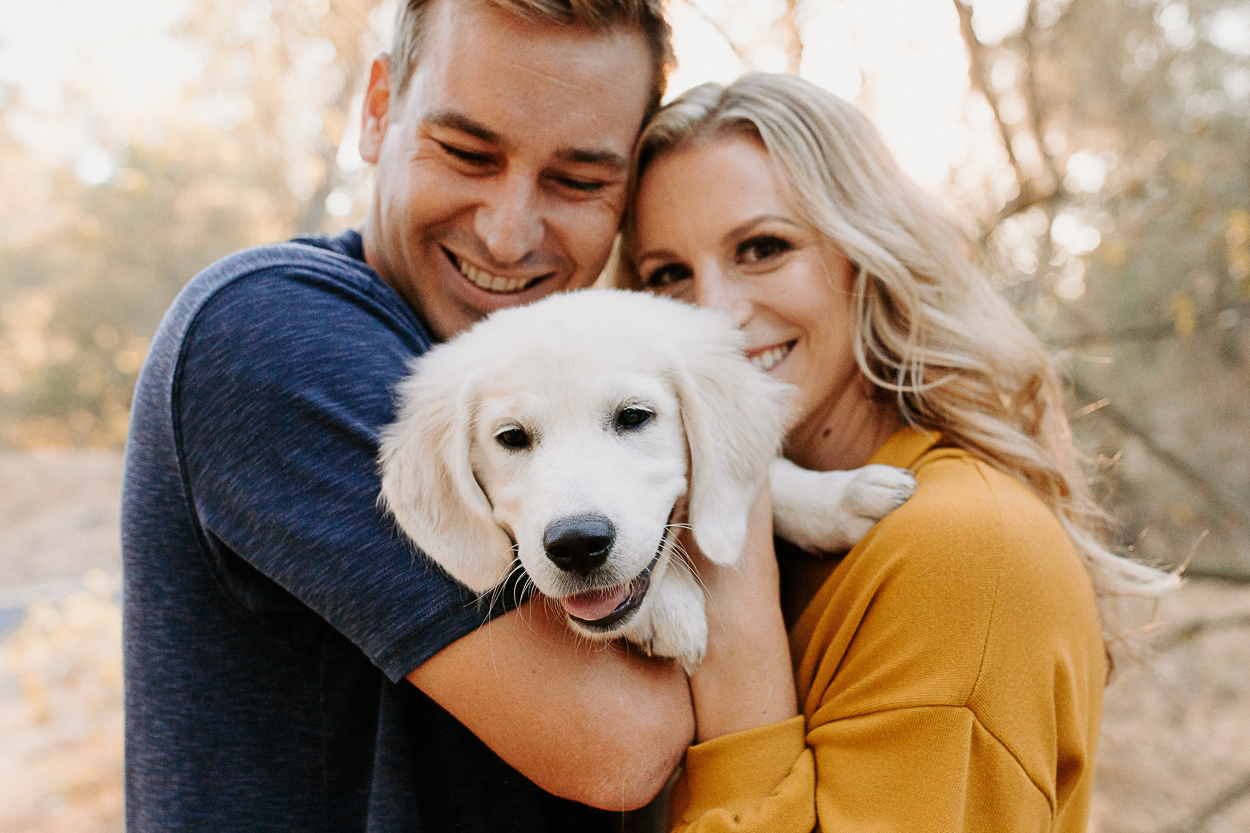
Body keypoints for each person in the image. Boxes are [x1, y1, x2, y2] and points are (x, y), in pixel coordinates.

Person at [121, 1, 695, 830]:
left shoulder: (598, 369)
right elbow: (620, 746)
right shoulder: (271, 332)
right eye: (466, 152)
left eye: (577, 179)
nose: (507, 234)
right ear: (379, 108)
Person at [617, 73, 1179, 832]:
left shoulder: (965, 552)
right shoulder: (687, 524)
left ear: (865, 254)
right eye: (668, 276)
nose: (714, 316)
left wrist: (738, 627)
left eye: (763, 248)